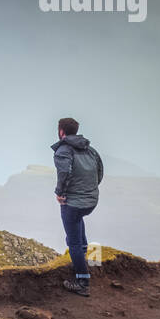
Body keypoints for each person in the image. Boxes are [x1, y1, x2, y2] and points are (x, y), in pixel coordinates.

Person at [52, 117, 103, 296]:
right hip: (90, 201)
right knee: (77, 221)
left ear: (61, 131)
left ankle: (82, 282)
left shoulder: (63, 150)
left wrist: (60, 193)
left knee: (72, 241)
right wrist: (89, 191)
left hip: (73, 203)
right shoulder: (90, 150)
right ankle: (82, 257)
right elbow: (100, 173)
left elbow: (64, 173)